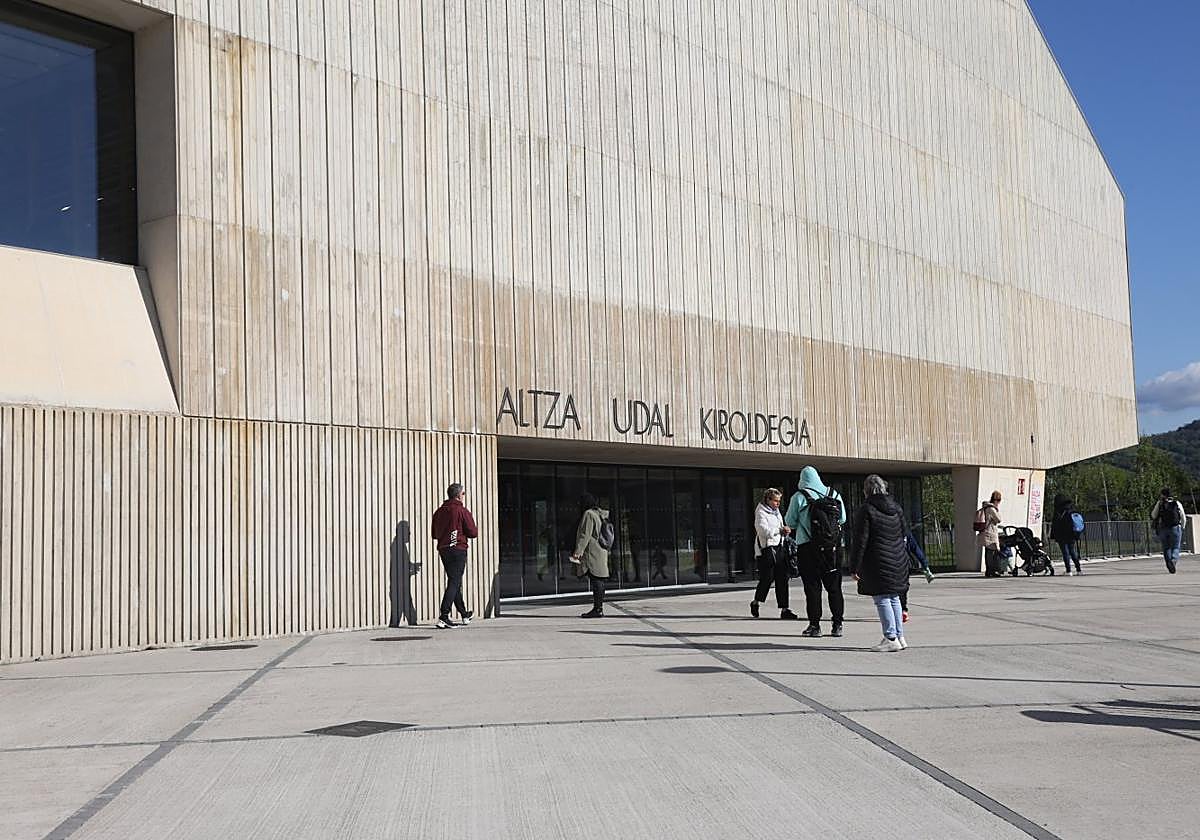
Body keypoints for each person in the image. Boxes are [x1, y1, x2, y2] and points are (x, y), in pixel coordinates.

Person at [849, 475, 911, 652]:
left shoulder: (867, 509)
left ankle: (890, 637)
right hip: (898, 558)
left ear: (867, 490)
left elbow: (861, 540)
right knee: (894, 597)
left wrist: (854, 566)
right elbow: (904, 534)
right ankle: (899, 636)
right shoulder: (897, 508)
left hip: (877, 560)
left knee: (882, 597)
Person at [784, 466, 847, 637]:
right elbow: (843, 518)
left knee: (812, 588)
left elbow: (790, 521)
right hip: (832, 549)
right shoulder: (834, 495)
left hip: (808, 548)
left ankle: (815, 626)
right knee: (834, 587)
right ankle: (837, 625)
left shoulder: (799, 497)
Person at [430, 482, 478, 629]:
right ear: (458, 495)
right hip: (457, 549)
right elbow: (473, 532)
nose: (464, 496)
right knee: (455, 581)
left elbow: (434, 534)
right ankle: (444, 616)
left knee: (454, 581)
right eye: (463, 494)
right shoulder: (461, 511)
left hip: (444, 549)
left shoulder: (438, 512)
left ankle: (464, 614)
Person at [750, 488, 798, 619]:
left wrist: (785, 532)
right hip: (767, 550)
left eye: (779, 501)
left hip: (780, 548)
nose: (777, 503)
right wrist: (779, 530)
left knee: (783, 579)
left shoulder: (777, 513)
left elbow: (780, 527)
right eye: (775, 501)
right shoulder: (760, 512)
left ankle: (784, 609)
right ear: (768, 499)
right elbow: (762, 531)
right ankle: (756, 602)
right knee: (767, 579)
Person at [571, 493, 611, 617]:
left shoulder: (589, 514)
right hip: (601, 551)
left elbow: (585, 535)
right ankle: (598, 608)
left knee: (596, 580)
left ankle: (597, 609)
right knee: (599, 580)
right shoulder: (601, 514)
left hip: (592, 553)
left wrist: (578, 553)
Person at [898, 532, 933, 623]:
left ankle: (899, 610)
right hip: (904, 563)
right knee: (903, 587)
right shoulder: (906, 533)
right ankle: (903, 610)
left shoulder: (886, 532)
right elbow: (916, 549)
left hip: (891, 564)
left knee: (891, 590)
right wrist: (925, 566)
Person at [1151, 487, 1187, 574]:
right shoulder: (1177, 503)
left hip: (1163, 528)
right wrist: (1182, 526)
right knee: (1176, 547)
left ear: (1163, 495)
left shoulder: (1160, 503)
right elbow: (1183, 517)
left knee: (1166, 547)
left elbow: (1153, 515)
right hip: (1175, 528)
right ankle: (1173, 561)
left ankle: (1168, 562)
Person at [1049, 494, 1083, 576]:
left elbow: (1056, 524)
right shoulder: (1072, 509)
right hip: (1072, 534)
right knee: (1072, 552)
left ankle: (1069, 571)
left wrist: (1053, 535)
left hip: (1062, 535)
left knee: (1065, 553)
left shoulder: (1059, 511)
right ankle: (1079, 570)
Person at [977, 491, 1004, 577]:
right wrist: (997, 509)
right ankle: (992, 570)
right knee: (993, 551)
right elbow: (998, 519)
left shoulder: (985, 507)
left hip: (984, 531)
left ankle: (989, 570)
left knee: (988, 551)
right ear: (997, 500)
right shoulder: (991, 509)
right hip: (990, 532)